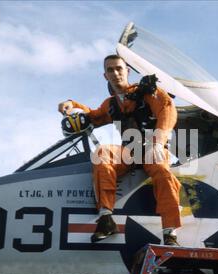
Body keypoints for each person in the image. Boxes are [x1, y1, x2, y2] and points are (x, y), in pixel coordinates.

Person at [58, 54, 181, 246]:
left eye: (119, 68)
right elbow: (94, 116)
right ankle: (106, 219)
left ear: (128, 71)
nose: (115, 73)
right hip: (129, 152)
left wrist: (158, 141)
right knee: (102, 154)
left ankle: (170, 233)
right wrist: (72, 104)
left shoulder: (148, 92)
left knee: (164, 174)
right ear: (105, 76)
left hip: (152, 149)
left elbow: (167, 110)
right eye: (110, 70)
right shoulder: (111, 104)